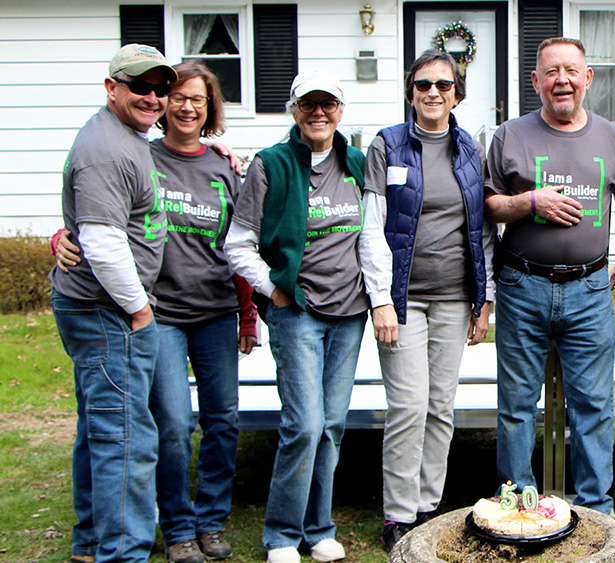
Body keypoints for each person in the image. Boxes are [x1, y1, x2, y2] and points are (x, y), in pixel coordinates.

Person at [54, 62, 257, 563]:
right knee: (169, 424)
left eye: (199, 100)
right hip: (155, 311)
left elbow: (241, 244)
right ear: (164, 105)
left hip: (214, 311)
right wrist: (62, 237)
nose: (187, 106)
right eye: (179, 97)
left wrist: (247, 313)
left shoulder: (225, 167)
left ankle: (210, 521)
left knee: (223, 422)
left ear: (211, 109)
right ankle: (178, 526)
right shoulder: (137, 153)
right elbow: (96, 211)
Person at [224, 69, 395, 563]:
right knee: (304, 424)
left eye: (329, 104)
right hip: (297, 311)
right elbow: (238, 244)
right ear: (293, 110)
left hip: (348, 314)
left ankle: (318, 529)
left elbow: (371, 238)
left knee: (331, 425)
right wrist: (273, 288)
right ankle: (281, 534)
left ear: (340, 111)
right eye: (308, 104)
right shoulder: (270, 165)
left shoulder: (358, 163)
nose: (319, 113)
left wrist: (378, 297)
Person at [484, 37, 615, 516]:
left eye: (571, 71)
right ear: (536, 81)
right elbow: (489, 205)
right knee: (515, 406)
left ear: (587, 77)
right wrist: (528, 203)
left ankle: (596, 508)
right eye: (551, 72)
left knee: (593, 406)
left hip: (590, 288)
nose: (562, 80)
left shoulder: (612, 138)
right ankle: (516, 502)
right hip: (521, 286)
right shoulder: (509, 135)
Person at [363, 50, 494, 552]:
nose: (433, 92)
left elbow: (481, 230)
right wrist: (382, 300)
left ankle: (427, 506)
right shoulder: (388, 146)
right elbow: (372, 231)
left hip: (454, 299)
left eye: (443, 85)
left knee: (441, 405)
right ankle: (397, 514)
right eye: (423, 85)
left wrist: (483, 300)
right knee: (409, 405)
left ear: (457, 93)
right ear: (410, 91)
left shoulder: (469, 149)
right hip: (404, 298)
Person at [49, 43, 174, 563]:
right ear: (111, 88)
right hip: (109, 312)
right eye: (139, 86)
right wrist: (139, 310)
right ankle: (122, 554)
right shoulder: (106, 147)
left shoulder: (127, 137)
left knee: (100, 430)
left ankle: (89, 544)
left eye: (159, 88)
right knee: (126, 439)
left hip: (101, 310)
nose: (152, 97)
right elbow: (101, 240)